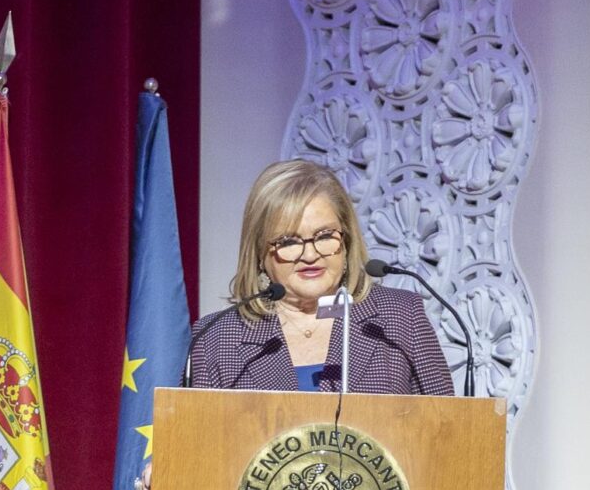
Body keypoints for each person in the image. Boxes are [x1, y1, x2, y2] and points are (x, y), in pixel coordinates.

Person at [184, 158, 453, 395]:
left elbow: (447, 426)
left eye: (324, 236)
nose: (310, 255)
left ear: (346, 241)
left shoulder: (401, 317)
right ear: (259, 253)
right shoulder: (216, 338)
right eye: (288, 241)